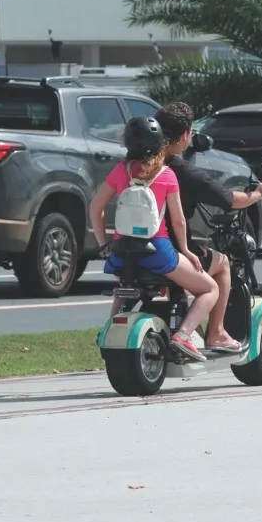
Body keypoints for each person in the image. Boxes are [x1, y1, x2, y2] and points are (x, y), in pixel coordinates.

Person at [89, 116, 218, 362]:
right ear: (160, 143)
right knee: (209, 288)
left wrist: (103, 245)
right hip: (157, 250)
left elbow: (96, 208)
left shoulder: (119, 171)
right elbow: (179, 221)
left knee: (126, 285)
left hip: (122, 251)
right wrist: (187, 252)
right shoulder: (166, 175)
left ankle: (109, 328)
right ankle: (183, 335)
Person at [154, 102, 262, 353]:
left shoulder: (137, 166)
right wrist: (258, 194)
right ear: (186, 135)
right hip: (170, 249)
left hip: (134, 246)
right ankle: (216, 333)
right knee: (221, 264)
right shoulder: (183, 172)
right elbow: (230, 200)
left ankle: (185, 321)